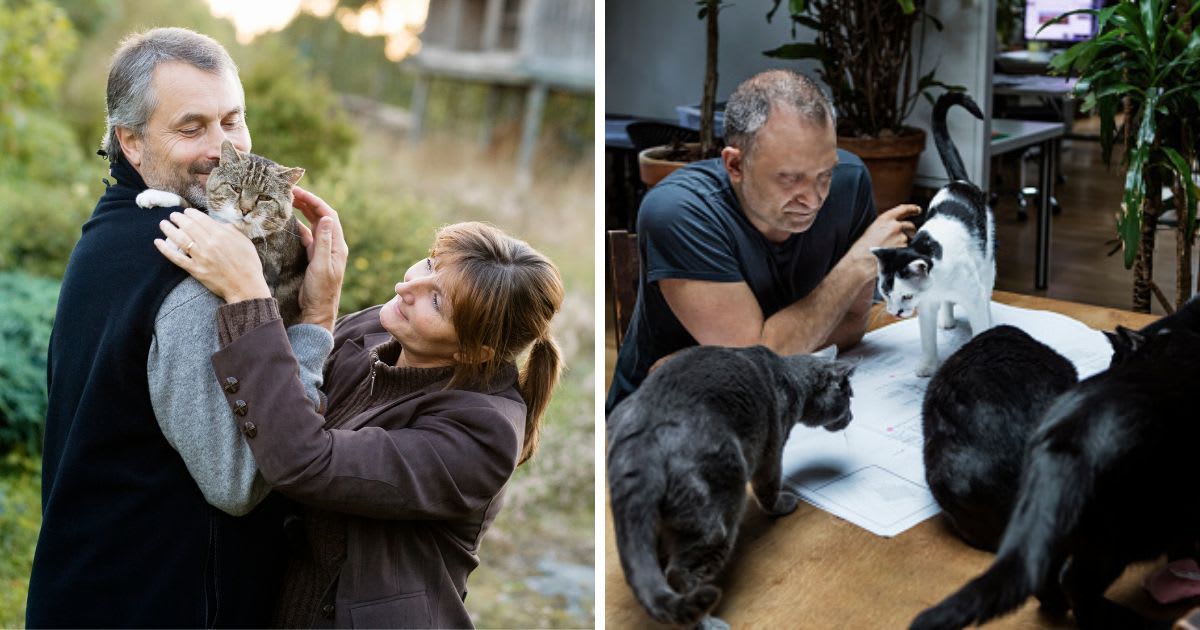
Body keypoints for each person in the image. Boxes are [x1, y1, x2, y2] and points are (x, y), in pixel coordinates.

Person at [154, 209, 564, 628]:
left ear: (475, 353)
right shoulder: (378, 329)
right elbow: (292, 394)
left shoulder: (481, 436)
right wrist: (311, 303)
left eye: (437, 300)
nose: (407, 287)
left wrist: (249, 296)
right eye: (429, 264)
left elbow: (307, 461)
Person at [28, 27, 314, 626]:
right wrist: (313, 322)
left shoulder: (114, 228)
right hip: (156, 604)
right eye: (192, 127)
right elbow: (240, 481)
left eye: (232, 120)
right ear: (130, 142)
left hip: (90, 590)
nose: (221, 147)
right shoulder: (189, 272)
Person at [606, 69, 920, 412]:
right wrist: (854, 267)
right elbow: (753, 368)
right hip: (665, 420)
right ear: (735, 164)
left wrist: (706, 361)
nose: (813, 198)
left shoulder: (850, 182)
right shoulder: (677, 211)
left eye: (824, 174)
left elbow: (848, 328)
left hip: (778, 406)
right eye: (789, 179)